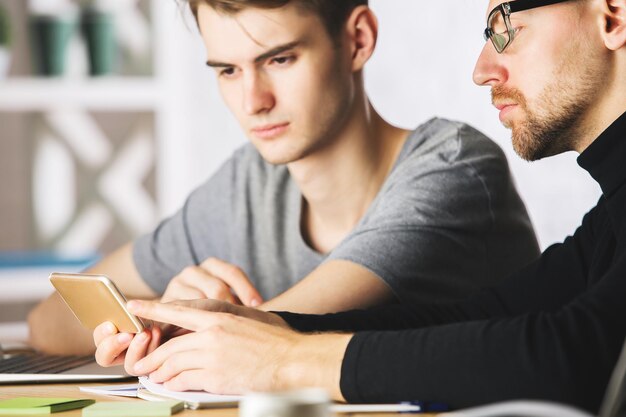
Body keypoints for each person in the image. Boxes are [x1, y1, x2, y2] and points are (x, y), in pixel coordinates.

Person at [93, 0, 626, 413]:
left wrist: (281, 361)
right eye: (226, 70)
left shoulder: (449, 165)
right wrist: (256, 329)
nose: (482, 69)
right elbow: (489, 316)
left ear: (613, 15)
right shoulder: (610, 218)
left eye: (505, 27)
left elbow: (569, 357)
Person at [28, 0, 538, 355]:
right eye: (227, 70)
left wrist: (176, 323)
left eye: (280, 59)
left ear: (358, 40)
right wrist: (148, 320)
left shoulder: (454, 169)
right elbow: (49, 320)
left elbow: (264, 338)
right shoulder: (247, 185)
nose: (253, 102)